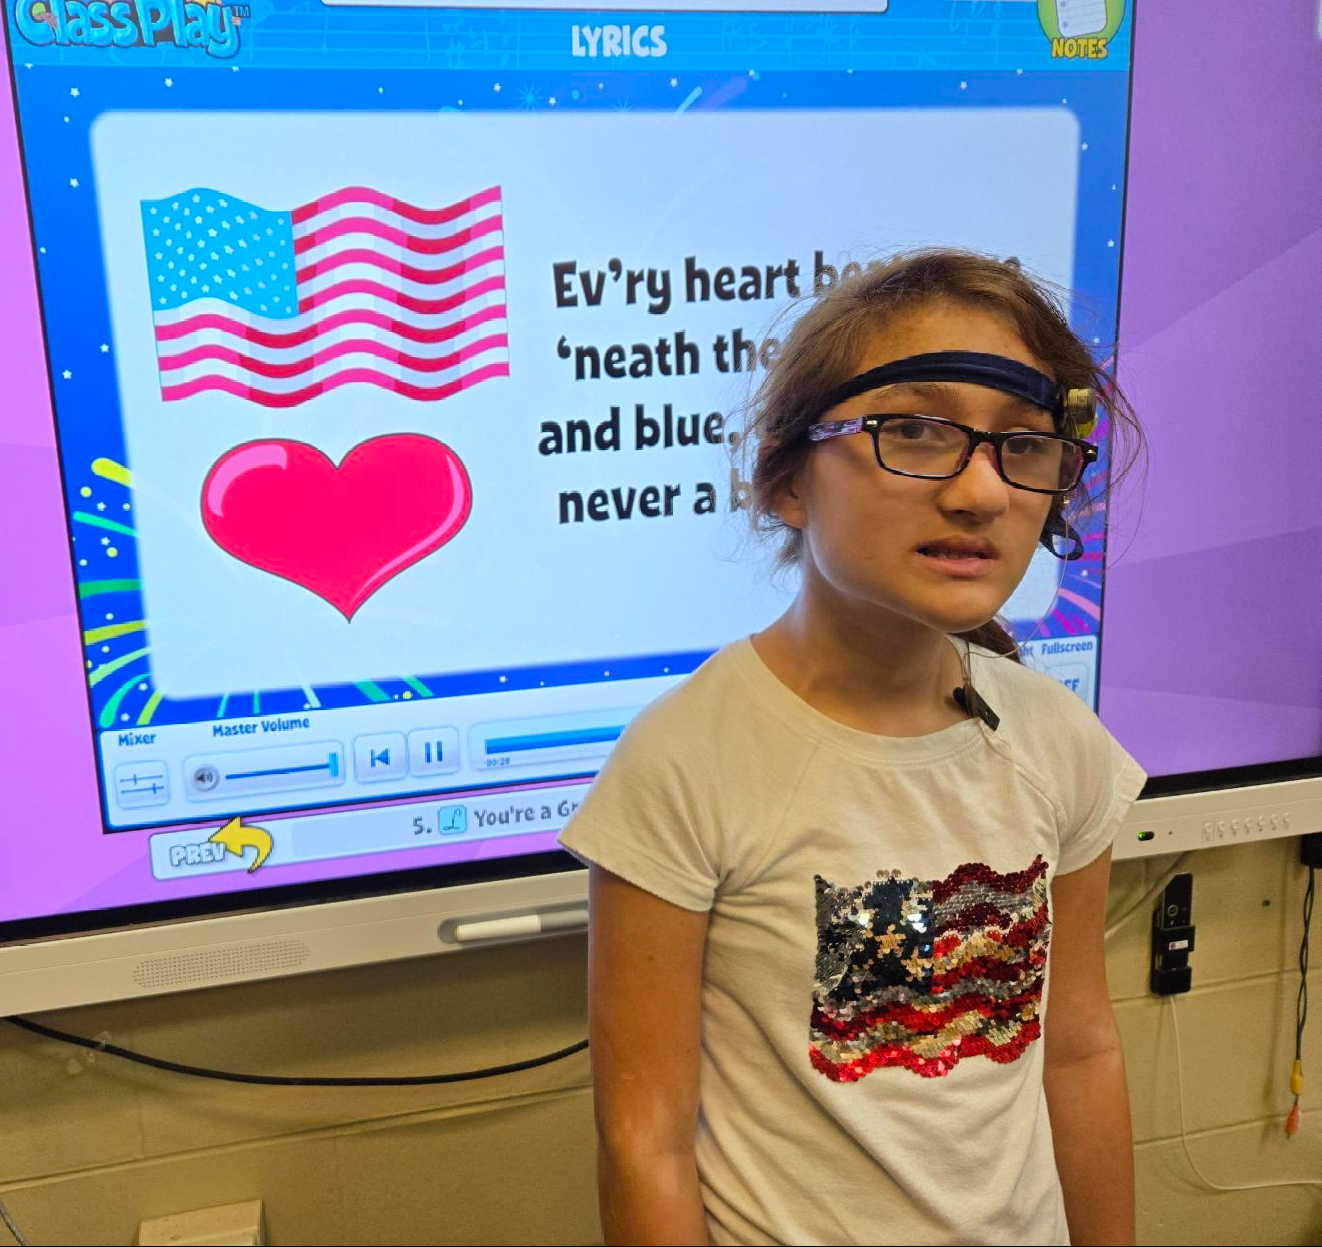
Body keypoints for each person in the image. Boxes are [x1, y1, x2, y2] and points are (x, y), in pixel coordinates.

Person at [558, 249, 1147, 1247]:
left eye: (1023, 446)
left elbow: (1079, 1049)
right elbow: (641, 1136)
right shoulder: (686, 760)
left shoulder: (1057, 742)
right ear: (788, 480)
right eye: (914, 432)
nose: (979, 492)